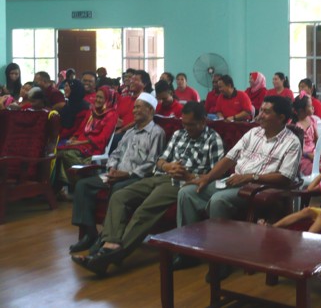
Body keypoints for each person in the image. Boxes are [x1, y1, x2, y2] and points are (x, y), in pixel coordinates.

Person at [71, 102, 224, 275]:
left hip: (182, 183)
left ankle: (108, 255)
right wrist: (168, 166)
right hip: (160, 176)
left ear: (203, 121)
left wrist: (188, 176)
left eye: (191, 125)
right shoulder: (179, 134)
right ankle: (109, 244)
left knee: (145, 209)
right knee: (120, 196)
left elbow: (215, 174)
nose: (187, 128)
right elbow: (160, 160)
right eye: (184, 124)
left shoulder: (213, 139)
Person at [177, 96, 301, 246]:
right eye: (261, 110)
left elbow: (285, 177)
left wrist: (251, 177)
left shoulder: (292, 142)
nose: (260, 115)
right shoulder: (253, 133)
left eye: (266, 112)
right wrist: (207, 178)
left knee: (219, 200)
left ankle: (219, 254)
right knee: (187, 193)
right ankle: (187, 248)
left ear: (281, 117)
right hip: (234, 182)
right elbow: (230, 158)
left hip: (259, 189)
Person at [54, 92, 163, 192]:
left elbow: (152, 163)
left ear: (150, 110)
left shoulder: (156, 133)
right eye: (134, 107)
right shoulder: (130, 132)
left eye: (138, 107)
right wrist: (112, 168)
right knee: (82, 185)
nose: (134, 111)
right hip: (114, 175)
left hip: (134, 177)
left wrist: (127, 174)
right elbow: (115, 154)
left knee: (116, 187)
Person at [292, 92, 319, 176]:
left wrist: (320, 151)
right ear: (301, 110)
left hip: (313, 152)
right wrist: (308, 155)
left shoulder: (312, 120)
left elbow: (317, 139)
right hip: (302, 156)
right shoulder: (295, 126)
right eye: (310, 106)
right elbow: (296, 147)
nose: (313, 107)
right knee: (314, 168)